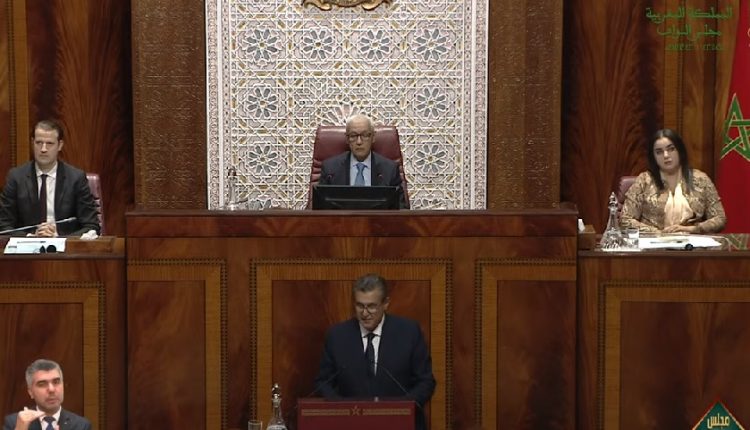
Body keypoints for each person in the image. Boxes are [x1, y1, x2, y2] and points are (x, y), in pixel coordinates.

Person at [314, 274, 435, 430]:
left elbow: (426, 381)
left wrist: (403, 409)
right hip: (351, 425)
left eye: (371, 306)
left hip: (399, 424)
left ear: (385, 303)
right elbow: (323, 382)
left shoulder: (409, 332)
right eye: (360, 306)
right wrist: (342, 410)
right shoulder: (337, 336)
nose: (365, 313)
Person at [0, 120, 100, 237]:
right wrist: (30, 238)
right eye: (39, 143)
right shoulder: (16, 177)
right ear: (32, 143)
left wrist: (58, 238)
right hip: (27, 246)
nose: (43, 149)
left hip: (64, 245)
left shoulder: (76, 178)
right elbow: (4, 225)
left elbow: (91, 226)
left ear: (60, 145)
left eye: (49, 143)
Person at [621, 128, 726, 233]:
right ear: (653, 157)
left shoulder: (701, 179)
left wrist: (693, 229)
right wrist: (657, 233)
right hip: (654, 240)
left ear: (680, 150)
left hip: (691, 239)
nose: (666, 155)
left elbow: (720, 218)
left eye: (671, 149)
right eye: (659, 152)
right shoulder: (644, 181)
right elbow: (625, 219)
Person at [318, 113, 408, 208]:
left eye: (365, 135)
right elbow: (320, 209)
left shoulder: (390, 169)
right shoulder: (330, 169)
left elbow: (401, 209)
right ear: (347, 139)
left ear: (373, 137)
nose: (359, 142)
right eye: (353, 135)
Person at [3, 359, 91, 430]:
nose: (51, 389)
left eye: (56, 382)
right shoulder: (15, 423)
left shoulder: (81, 425)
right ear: (30, 392)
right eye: (42, 384)